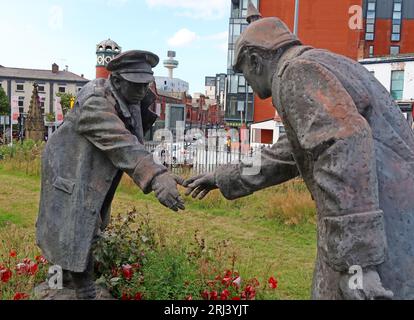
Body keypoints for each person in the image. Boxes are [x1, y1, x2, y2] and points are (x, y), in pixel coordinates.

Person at [184, 8, 414, 300]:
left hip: (378, 240)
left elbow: (344, 146)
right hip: (387, 225)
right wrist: (222, 177)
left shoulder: (296, 73)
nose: (250, 87)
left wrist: (357, 263)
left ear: (255, 60)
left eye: (244, 74)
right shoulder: (325, 63)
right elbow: (288, 155)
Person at [36, 50, 185, 300]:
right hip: (68, 168)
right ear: (116, 81)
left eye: (145, 84)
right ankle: (75, 287)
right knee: (73, 225)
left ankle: (62, 283)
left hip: (93, 169)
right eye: (135, 84)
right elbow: (121, 142)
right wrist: (156, 177)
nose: (141, 90)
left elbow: (135, 141)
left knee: (91, 221)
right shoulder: (95, 100)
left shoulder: (130, 99)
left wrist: (159, 169)